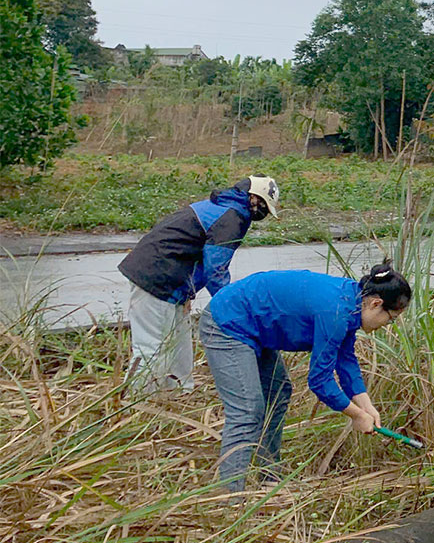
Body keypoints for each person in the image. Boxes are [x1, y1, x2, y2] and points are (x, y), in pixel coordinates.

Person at [199, 263, 410, 490]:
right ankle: (230, 497)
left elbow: (345, 359)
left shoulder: (351, 304)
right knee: (247, 410)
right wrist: (356, 415)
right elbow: (319, 380)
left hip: (257, 326)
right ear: (376, 304)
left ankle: (268, 476)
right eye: (391, 319)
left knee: (277, 392)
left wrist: (367, 407)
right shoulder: (336, 312)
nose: (388, 325)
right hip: (228, 323)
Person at [116, 175, 280, 392]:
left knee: (179, 344)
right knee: (152, 348)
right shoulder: (232, 217)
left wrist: (187, 294)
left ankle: (179, 395)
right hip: (155, 279)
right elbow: (216, 270)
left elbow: (196, 255)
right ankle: (137, 404)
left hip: (170, 281)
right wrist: (234, 308)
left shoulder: (222, 206)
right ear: (253, 199)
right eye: (264, 208)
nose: (263, 214)